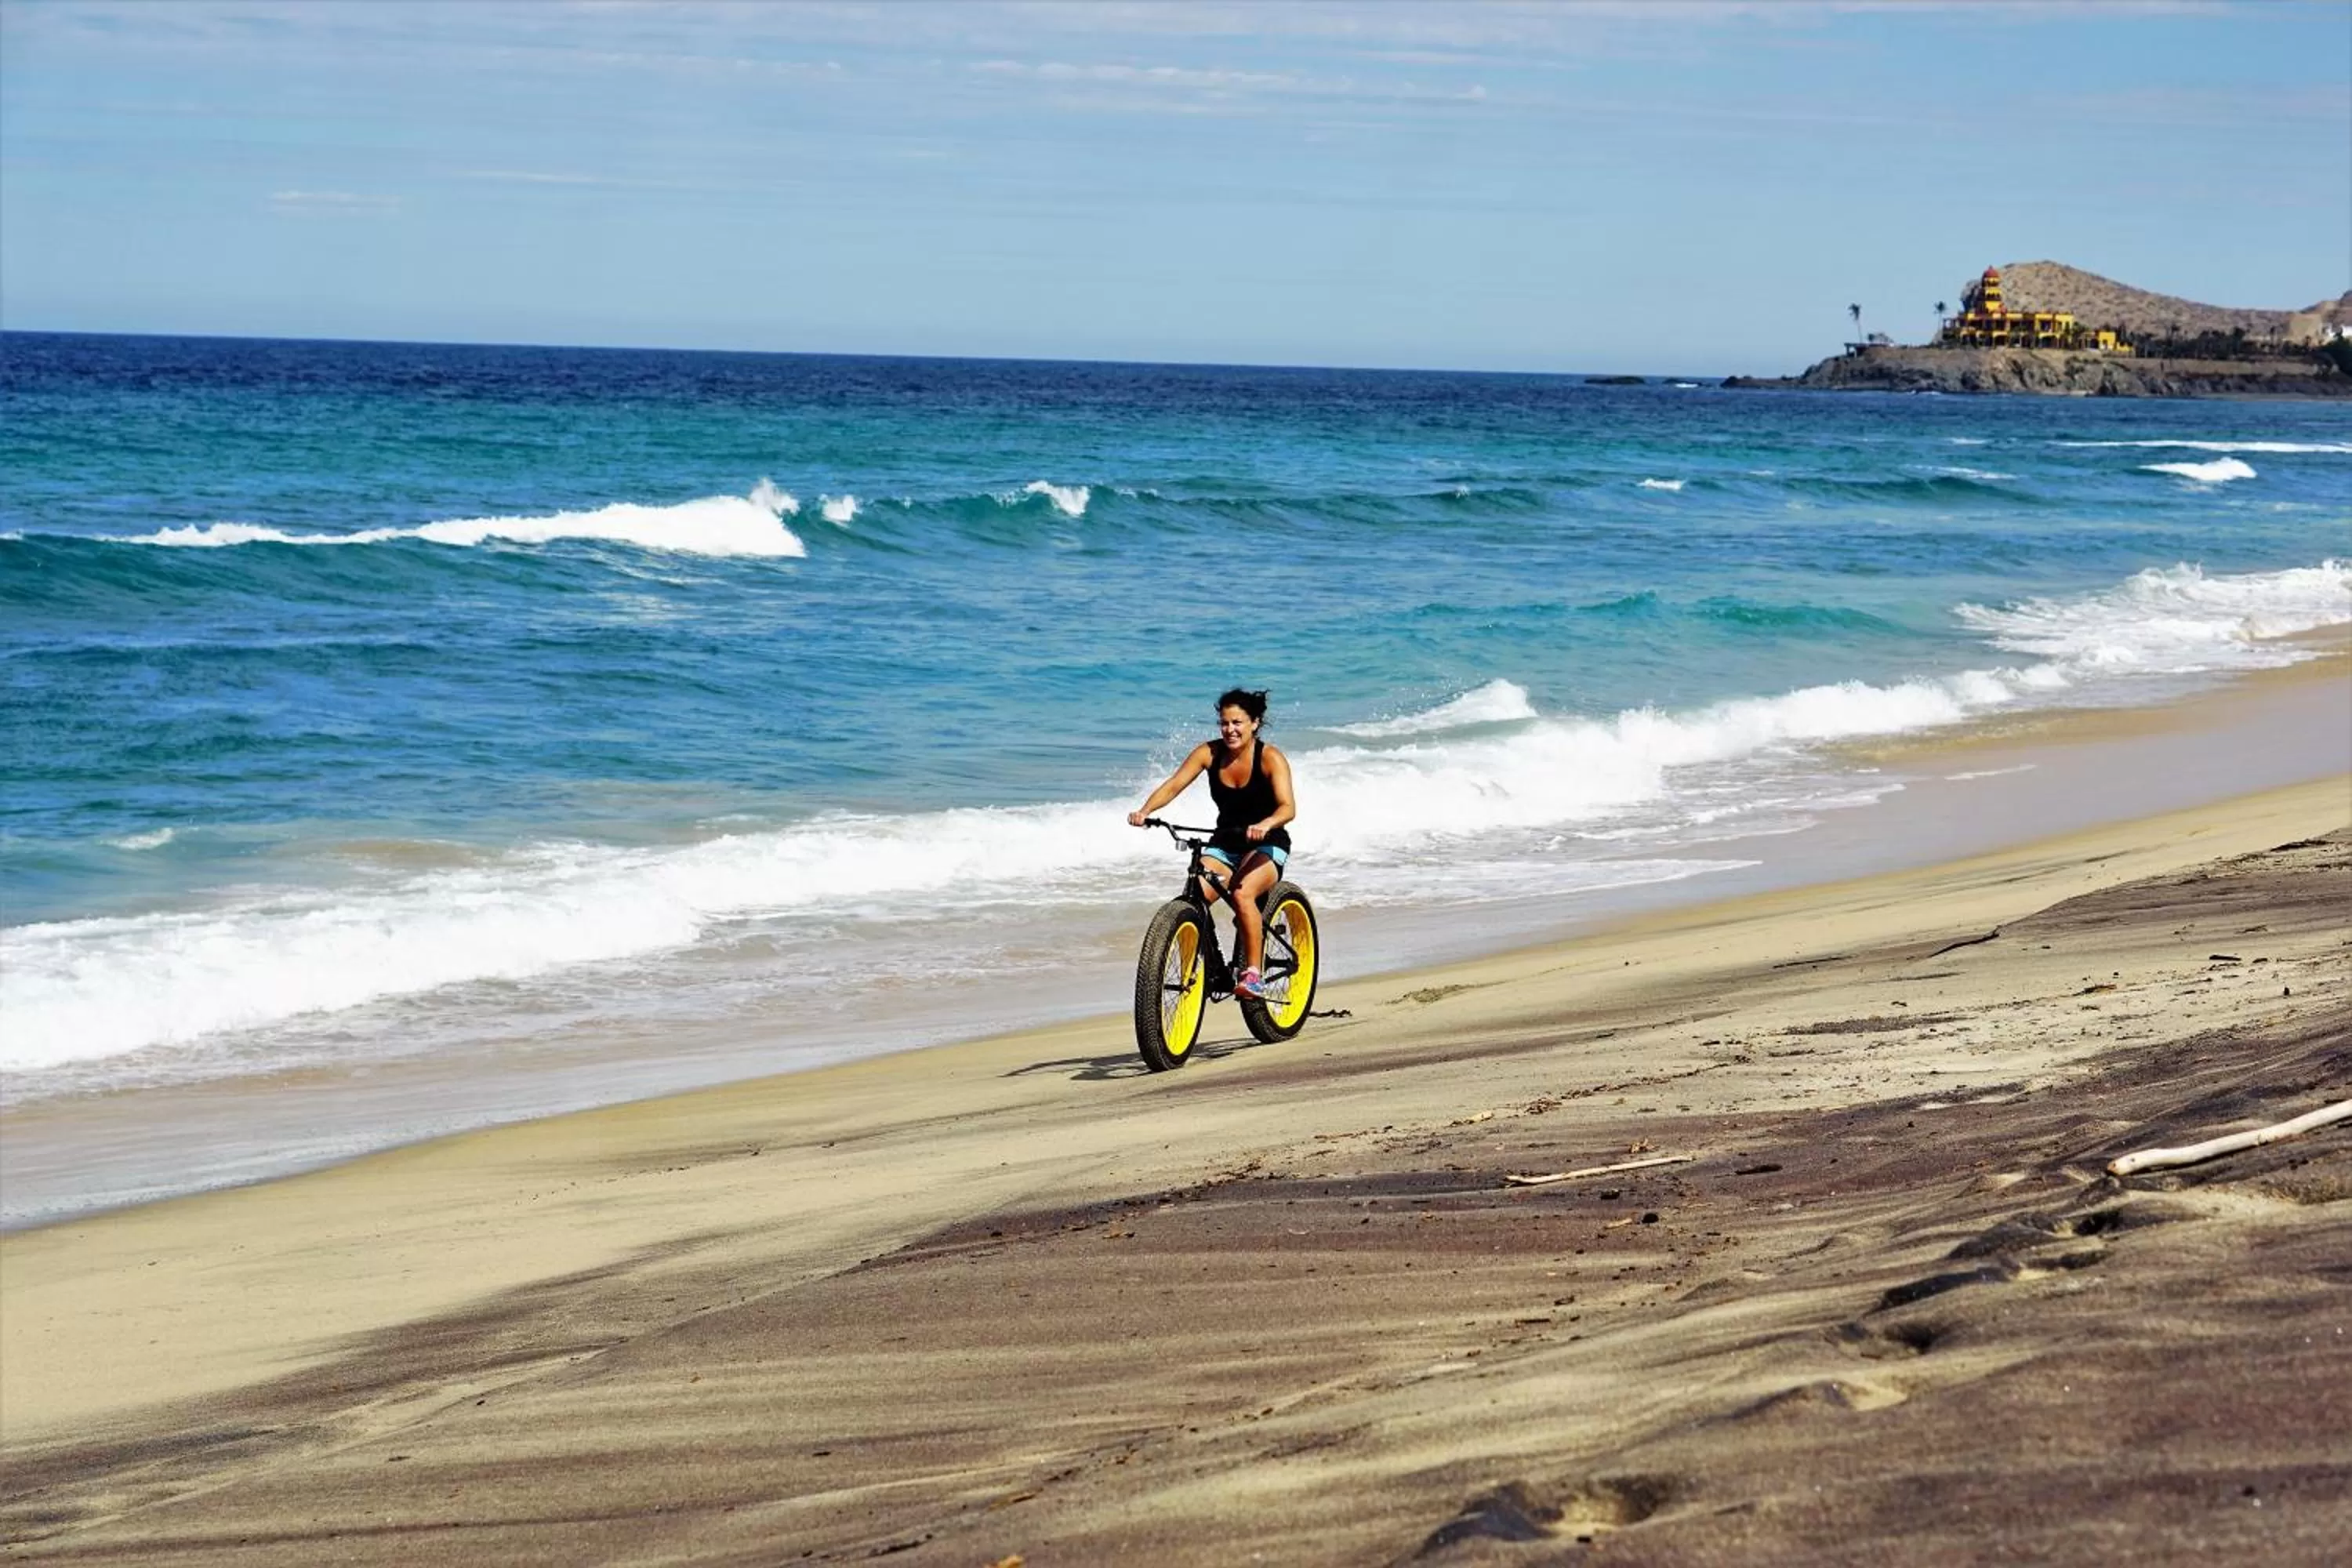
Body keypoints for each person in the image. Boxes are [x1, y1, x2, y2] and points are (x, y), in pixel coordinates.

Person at [1128, 688, 1296, 1000]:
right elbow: (1174, 785)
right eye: (1224, 723)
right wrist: (1145, 811)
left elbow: (1288, 808)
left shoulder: (1270, 758)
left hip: (1267, 844)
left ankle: (1254, 975)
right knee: (1194, 898)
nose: (1230, 730)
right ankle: (1209, 967)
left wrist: (1265, 824)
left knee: (1242, 894)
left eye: (1237, 723)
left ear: (1255, 723)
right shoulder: (1209, 753)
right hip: (1225, 844)